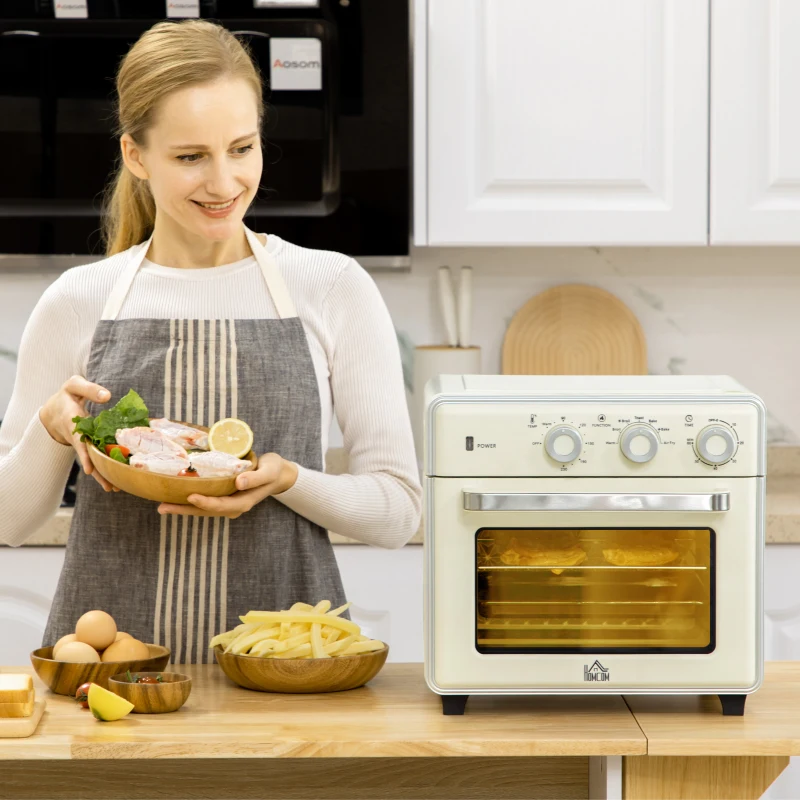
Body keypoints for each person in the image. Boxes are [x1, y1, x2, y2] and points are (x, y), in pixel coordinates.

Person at [0, 20, 421, 664]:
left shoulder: (330, 285)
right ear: (136, 156)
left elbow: (397, 515)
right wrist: (49, 430)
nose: (224, 184)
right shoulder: (78, 299)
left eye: (242, 148)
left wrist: (287, 480)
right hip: (111, 684)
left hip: (285, 678)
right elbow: (7, 523)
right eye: (191, 157)